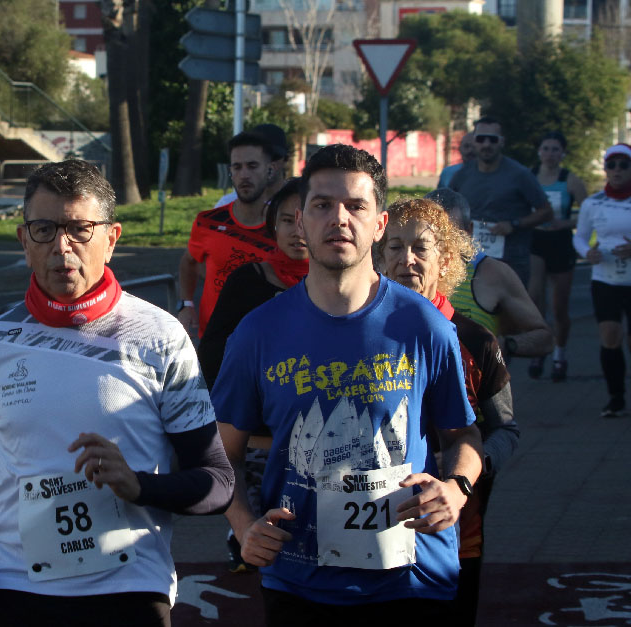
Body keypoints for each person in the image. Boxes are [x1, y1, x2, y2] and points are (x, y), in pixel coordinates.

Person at [0, 159, 234, 627]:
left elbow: (217, 480)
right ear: (23, 240)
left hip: (130, 588)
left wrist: (139, 485)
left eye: (80, 229)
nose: (61, 246)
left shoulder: (160, 336)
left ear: (111, 239)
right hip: (18, 587)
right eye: (44, 229)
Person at [213, 144, 483, 622]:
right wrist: (244, 525)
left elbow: (463, 435)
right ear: (300, 221)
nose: (339, 219)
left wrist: (457, 488)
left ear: (379, 225)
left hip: (413, 578)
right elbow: (221, 455)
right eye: (322, 205)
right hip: (299, 579)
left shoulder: (424, 325)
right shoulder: (258, 333)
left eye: (356, 205)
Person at [378, 198, 518, 627]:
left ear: (446, 261)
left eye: (421, 248)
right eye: (394, 247)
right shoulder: (354, 332)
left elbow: (507, 431)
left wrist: (461, 478)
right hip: (367, 539)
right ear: (378, 257)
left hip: (456, 538)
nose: (407, 260)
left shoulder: (475, 341)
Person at [197, 177, 310, 573]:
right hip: (258, 437)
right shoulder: (249, 280)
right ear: (272, 227)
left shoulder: (342, 284)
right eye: (286, 221)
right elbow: (214, 354)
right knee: (265, 543)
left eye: (304, 218)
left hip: (326, 438)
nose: (296, 231)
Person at [425, 188, 554, 360]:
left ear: (469, 231)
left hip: (476, 386)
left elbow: (545, 338)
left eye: (450, 234)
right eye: (430, 234)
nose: (440, 243)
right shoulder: (399, 271)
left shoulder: (492, 273)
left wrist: (504, 345)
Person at [179, 130, 282, 338]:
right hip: (214, 341)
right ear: (230, 172)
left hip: (267, 343)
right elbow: (189, 262)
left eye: (252, 166)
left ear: (269, 171)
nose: (244, 174)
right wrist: (186, 303)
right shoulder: (208, 222)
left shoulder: (285, 229)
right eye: (237, 167)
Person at [448, 116, 553, 286]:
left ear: (502, 142)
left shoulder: (520, 175)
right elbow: (448, 208)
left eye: (493, 139)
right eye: (481, 139)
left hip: (511, 263)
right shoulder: (462, 175)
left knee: (508, 312)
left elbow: (546, 212)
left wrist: (514, 224)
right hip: (471, 261)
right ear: (474, 142)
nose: (487, 144)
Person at [573, 143, 631, 418]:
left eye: (624, 165)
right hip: (605, 277)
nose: (617, 171)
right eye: (612, 165)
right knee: (610, 336)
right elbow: (580, 236)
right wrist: (588, 252)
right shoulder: (593, 203)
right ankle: (616, 397)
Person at [526, 131, 587, 381]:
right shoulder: (529, 177)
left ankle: (560, 354)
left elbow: (588, 213)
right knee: (535, 299)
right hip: (536, 241)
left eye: (555, 149)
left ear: (562, 153)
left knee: (559, 306)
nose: (550, 154)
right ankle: (540, 350)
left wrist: (566, 223)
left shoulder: (570, 180)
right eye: (546, 148)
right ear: (539, 152)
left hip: (561, 243)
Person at [215, 123, 290, 207]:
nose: (267, 163)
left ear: (286, 159)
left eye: (273, 156)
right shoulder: (226, 204)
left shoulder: (299, 202)